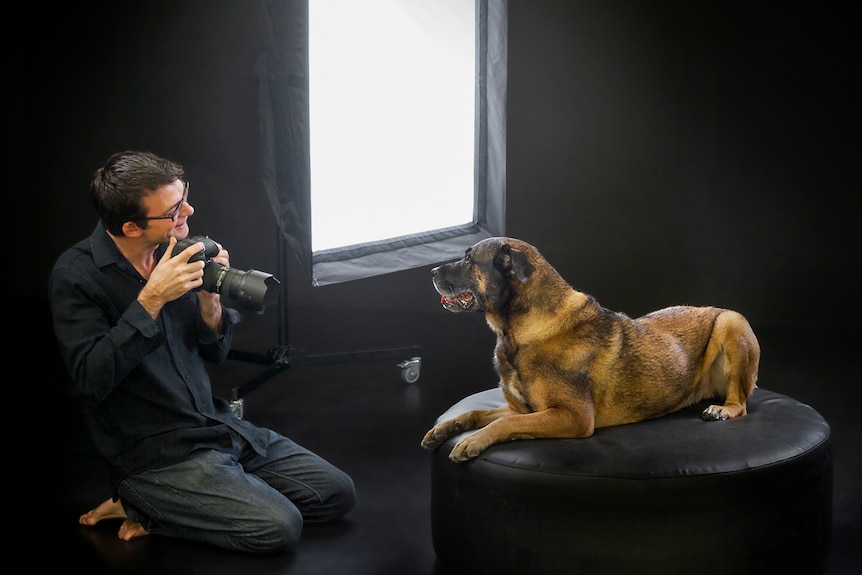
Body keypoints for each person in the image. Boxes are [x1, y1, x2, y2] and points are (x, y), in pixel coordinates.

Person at [49, 150, 356, 553]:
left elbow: (215, 353)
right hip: (155, 453)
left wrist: (209, 299)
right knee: (279, 527)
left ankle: (192, 501)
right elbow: (91, 377)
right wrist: (152, 299)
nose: (189, 210)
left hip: (215, 427)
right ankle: (147, 502)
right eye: (174, 209)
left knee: (336, 492)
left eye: (185, 197)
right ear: (131, 226)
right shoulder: (77, 276)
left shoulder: (176, 250)